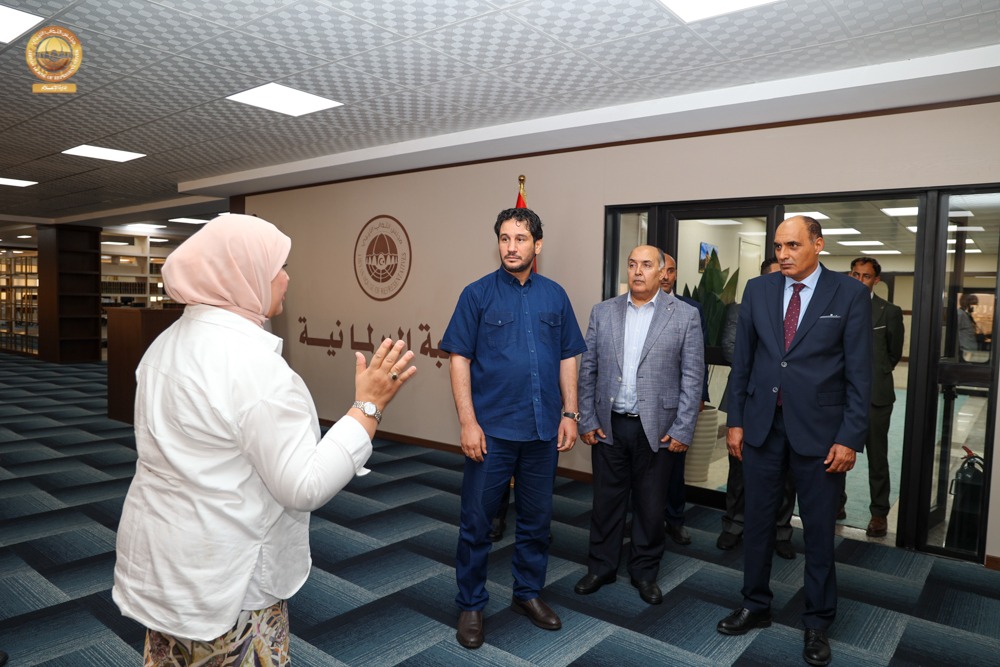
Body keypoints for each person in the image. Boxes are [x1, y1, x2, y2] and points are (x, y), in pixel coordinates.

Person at [113, 214, 416, 665]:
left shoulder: (166, 343)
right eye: (278, 267)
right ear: (242, 274)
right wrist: (367, 408)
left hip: (168, 564)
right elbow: (304, 486)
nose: (287, 278)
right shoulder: (253, 367)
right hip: (229, 584)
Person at [717, 216, 871, 667]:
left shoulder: (849, 294)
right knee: (757, 522)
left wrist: (849, 437)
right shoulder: (758, 290)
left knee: (819, 532)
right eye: (778, 246)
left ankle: (817, 622)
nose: (782, 254)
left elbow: (860, 373)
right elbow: (744, 362)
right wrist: (735, 421)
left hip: (822, 433)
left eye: (792, 245)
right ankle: (755, 604)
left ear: (817, 245)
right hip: (763, 427)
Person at [441, 207, 586, 650]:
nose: (511, 247)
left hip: (543, 431)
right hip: (493, 432)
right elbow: (459, 359)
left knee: (537, 522)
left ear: (537, 245)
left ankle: (527, 593)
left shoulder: (555, 295)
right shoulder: (476, 295)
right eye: (504, 238)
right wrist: (468, 422)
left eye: (520, 239)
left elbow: (568, 355)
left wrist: (571, 413)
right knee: (477, 523)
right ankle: (471, 604)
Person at [575, 245, 703, 605]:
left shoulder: (685, 316)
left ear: (662, 273)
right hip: (609, 426)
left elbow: (693, 377)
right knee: (606, 502)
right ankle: (601, 566)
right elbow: (588, 370)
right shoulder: (603, 312)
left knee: (650, 505)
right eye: (632, 264)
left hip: (657, 429)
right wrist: (587, 418)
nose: (637, 271)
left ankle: (644, 572)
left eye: (646, 265)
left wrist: (682, 428)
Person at [717, 257, 798, 559]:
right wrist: (767, 371)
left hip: (791, 405)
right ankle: (734, 525)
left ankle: (781, 530)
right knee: (740, 470)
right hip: (750, 399)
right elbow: (731, 348)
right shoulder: (741, 309)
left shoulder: (800, 310)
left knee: (787, 474)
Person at [847, 256, 904, 538]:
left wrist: (874, 373)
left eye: (866, 276)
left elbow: (893, 354)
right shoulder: (838, 306)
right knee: (833, 453)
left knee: (877, 458)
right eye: (855, 275)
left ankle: (879, 513)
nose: (860, 280)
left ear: (876, 280)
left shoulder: (889, 312)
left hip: (876, 397)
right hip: (841, 395)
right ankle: (835, 504)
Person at [658, 253, 709, 547]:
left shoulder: (691, 309)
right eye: (661, 270)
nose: (666, 276)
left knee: (674, 468)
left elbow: (697, 359)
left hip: (678, 403)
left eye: (671, 270)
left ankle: (675, 520)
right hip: (642, 405)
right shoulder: (634, 306)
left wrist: (700, 395)